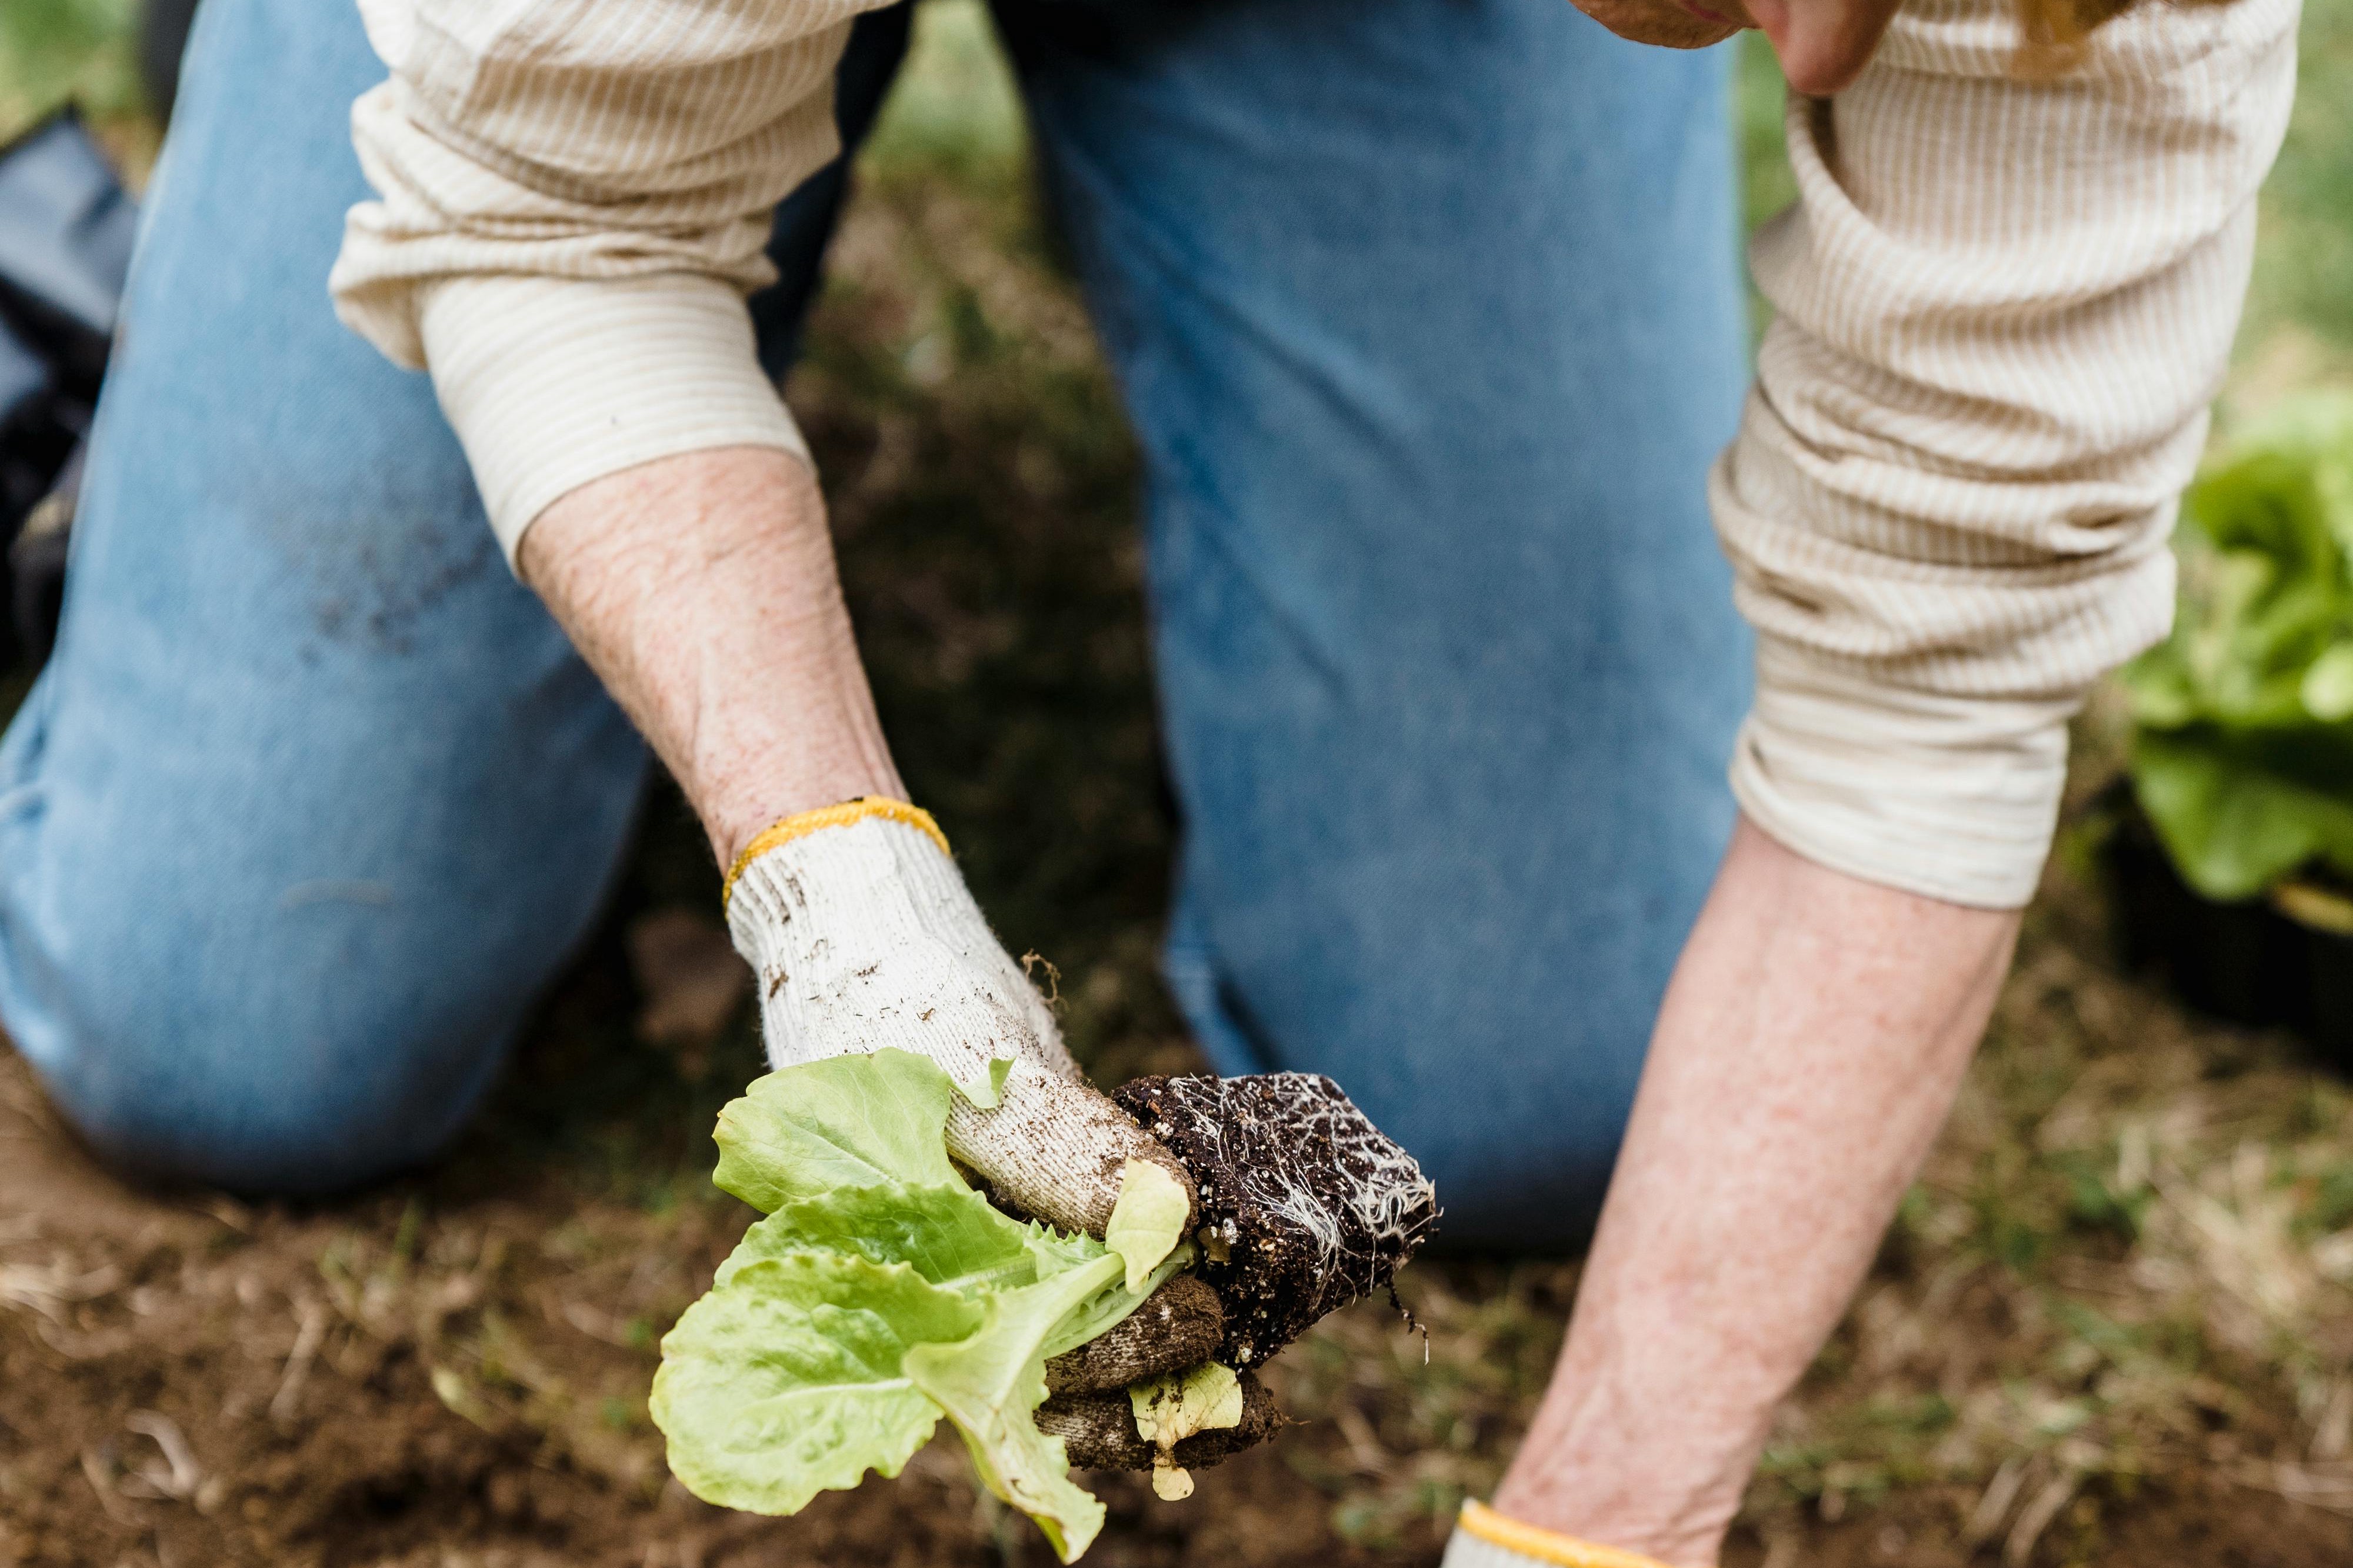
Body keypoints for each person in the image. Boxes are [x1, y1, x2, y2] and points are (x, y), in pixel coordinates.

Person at [0, 0, 2296, 1560]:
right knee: (236, 1024)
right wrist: (830, 870)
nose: (1818, 49)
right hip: (582, 90)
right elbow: (555, 220)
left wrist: (1594, 1530)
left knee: (1526, 1070)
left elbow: (1935, 682)